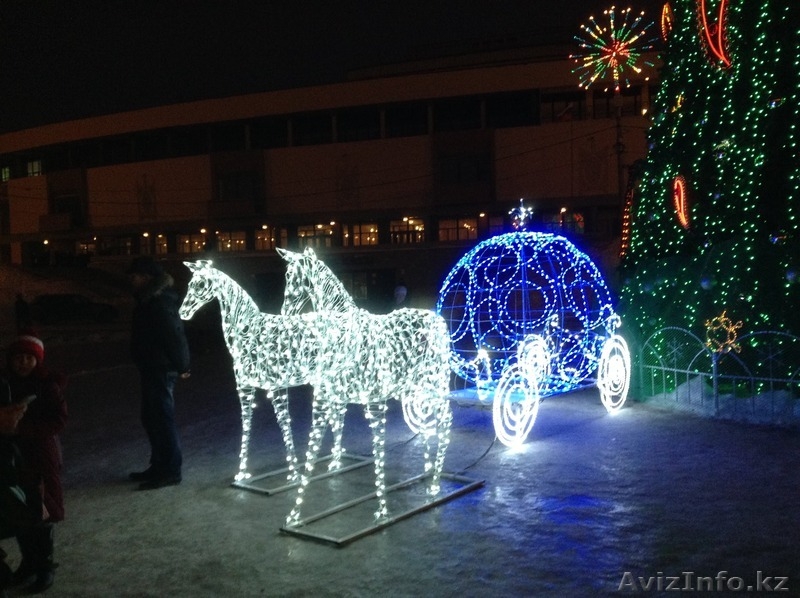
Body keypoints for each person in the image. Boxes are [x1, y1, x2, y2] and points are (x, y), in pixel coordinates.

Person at [1, 331, 68, 594]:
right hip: (13, 458)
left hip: (40, 456)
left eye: (29, 358)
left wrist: (21, 429)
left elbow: (58, 421)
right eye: (18, 357)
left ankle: (45, 567)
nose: (23, 363)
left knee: (41, 510)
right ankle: (28, 563)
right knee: (20, 511)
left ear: (38, 360)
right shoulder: (6, 383)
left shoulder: (46, 386)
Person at [127, 256, 191, 491]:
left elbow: (173, 335)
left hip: (161, 369)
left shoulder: (159, 301)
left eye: (134, 276)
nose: (131, 280)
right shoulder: (148, 300)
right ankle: (159, 465)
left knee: (162, 420)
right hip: (152, 367)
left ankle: (170, 470)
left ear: (147, 277)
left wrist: (183, 365)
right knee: (152, 418)